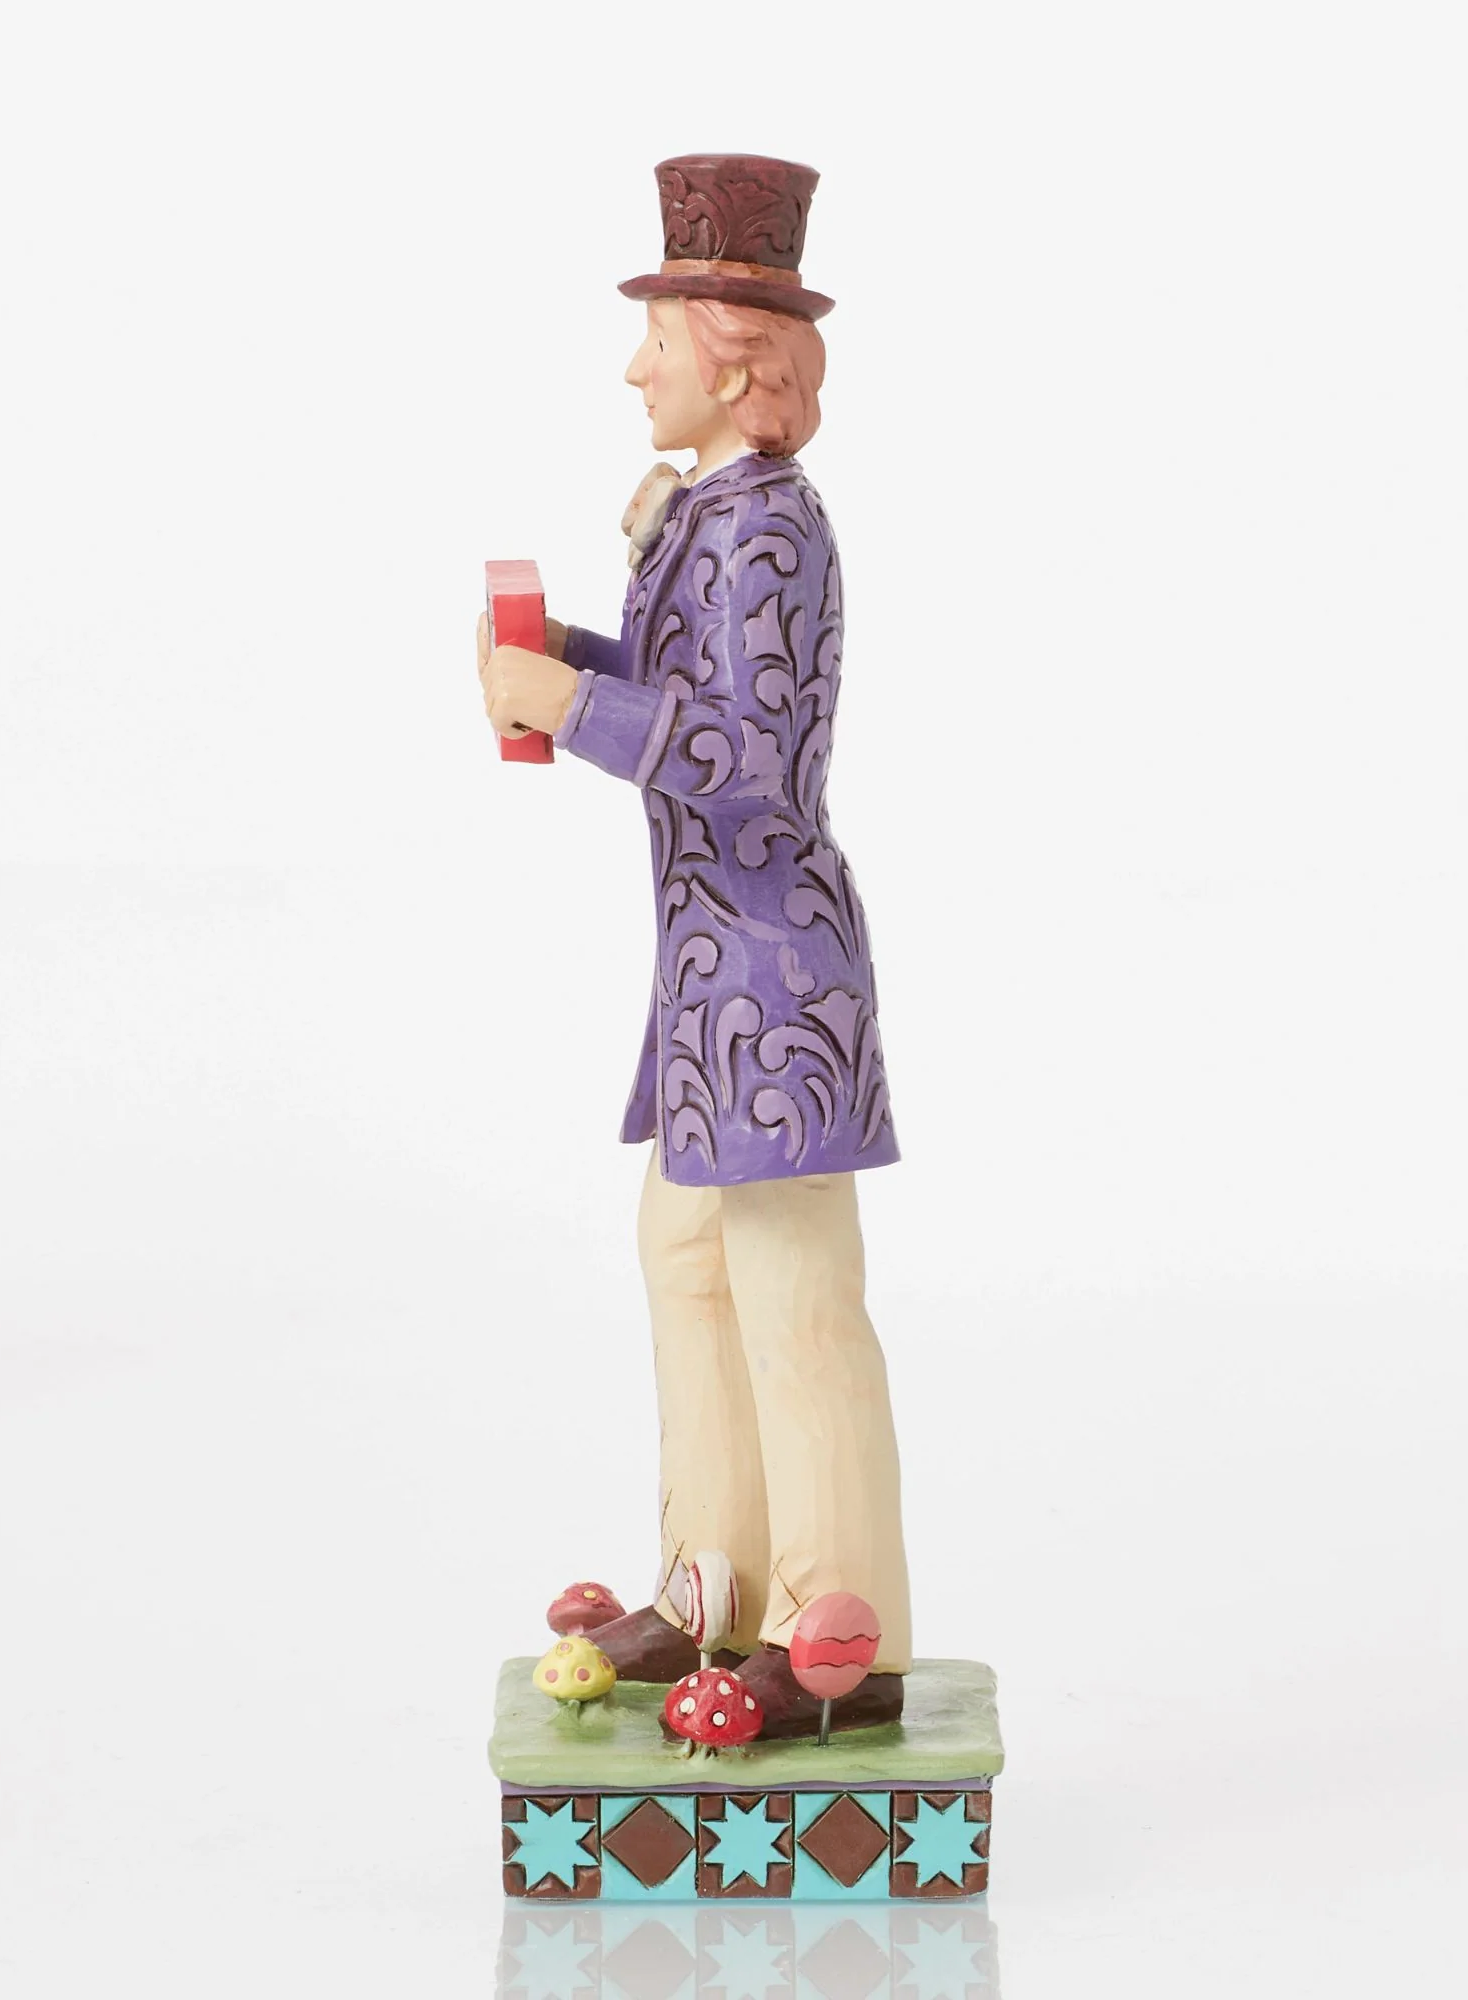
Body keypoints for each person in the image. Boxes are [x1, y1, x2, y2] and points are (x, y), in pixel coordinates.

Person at [476, 156, 911, 1737]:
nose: (632, 368)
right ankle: (714, 1586)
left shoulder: (770, 533)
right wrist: (567, 660)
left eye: (655, 338)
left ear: (732, 364)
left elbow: (748, 759)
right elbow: (683, 697)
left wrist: (573, 706)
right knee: (688, 1263)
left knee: (794, 1299)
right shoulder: (712, 517)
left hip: (773, 988)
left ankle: (835, 1632)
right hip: (712, 984)